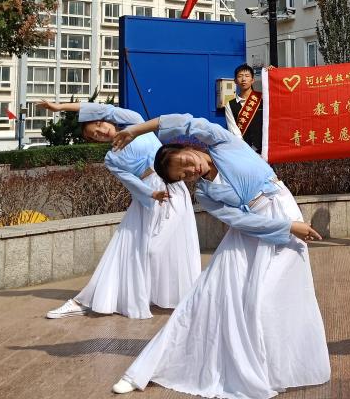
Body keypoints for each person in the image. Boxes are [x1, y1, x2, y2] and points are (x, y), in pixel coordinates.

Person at [108, 114, 330, 398]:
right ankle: (148, 368)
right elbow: (240, 221)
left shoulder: (223, 142)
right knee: (207, 294)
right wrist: (287, 227)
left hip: (283, 210)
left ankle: (275, 369)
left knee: (275, 296)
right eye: (184, 176)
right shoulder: (205, 194)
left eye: (185, 162)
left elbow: (185, 122)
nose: (191, 171)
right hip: (256, 230)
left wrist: (137, 130)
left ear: (188, 147)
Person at [39, 100, 201, 320]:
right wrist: (151, 194)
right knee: (127, 247)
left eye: (99, 125)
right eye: (95, 135)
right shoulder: (112, 157)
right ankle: (89, 299)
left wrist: (61, 107)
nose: (100, 132)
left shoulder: (134, 123)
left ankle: (186, 296)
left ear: (105, 120)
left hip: (174, 185)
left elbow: (106, 109)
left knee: (178, 243)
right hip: (151, 194)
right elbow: (129, 181)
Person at [225, 63, 263, 153]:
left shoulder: (262, 98)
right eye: (240, 76)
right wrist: (244, 149)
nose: (243, 79)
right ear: (235, 81)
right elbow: (233, 130)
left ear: (252, 80)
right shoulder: (230, 104)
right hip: (244, 150)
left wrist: (272, 73)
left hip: (264, 149)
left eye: (247, 76)